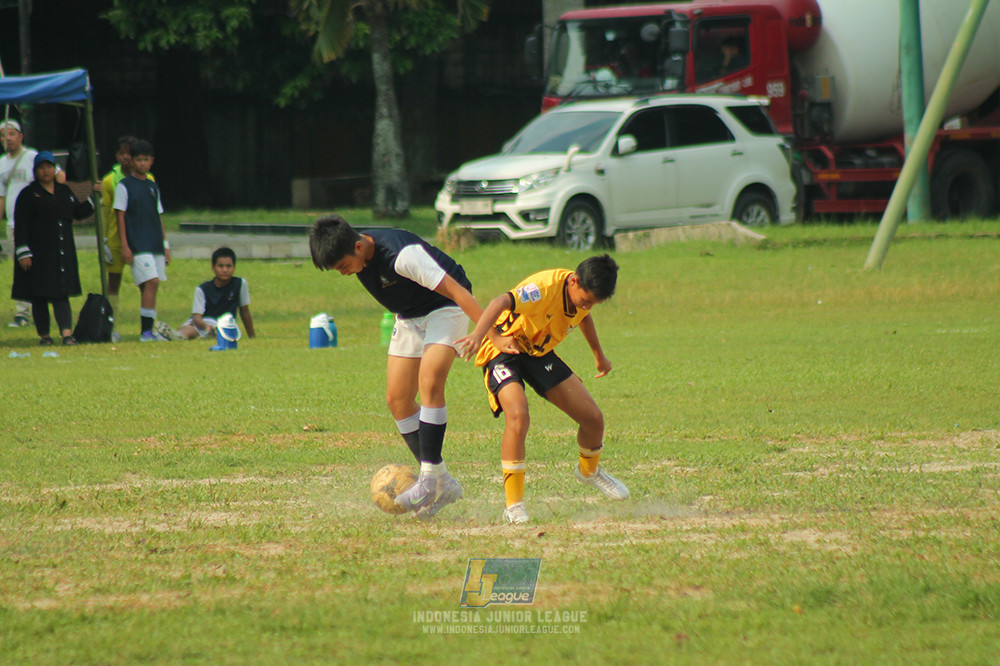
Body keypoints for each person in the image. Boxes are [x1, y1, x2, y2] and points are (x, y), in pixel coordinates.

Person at [308, 214, 484, 519]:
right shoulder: (361, 257)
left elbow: (458, 292)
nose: (344, 274)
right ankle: (443, 481)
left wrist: (488, 332)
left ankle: (428, 479)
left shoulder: (403, 256)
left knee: (430, 383)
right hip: (409, 316)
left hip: (445, 308)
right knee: (398, 399)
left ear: (359, 247)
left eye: (343, 267)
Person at [457, 255, 629, 525]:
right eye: (586, 300)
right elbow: (499, 302)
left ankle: (589, 472)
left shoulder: (582, 297)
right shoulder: (542, 288)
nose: (587, 306)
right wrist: (485, 336)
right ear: (573, 281)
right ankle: (513, 506)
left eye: (593, 303)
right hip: (504, 348)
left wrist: (599, 355)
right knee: (518, 414)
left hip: (539, 352)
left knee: (593, 419)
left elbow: (584, 317)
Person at [11, 151, 94, 345]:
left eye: (49, 167)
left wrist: (94, 199)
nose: (46, 171)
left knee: (60, 292)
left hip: (60, 250)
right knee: (39, 294)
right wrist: (23, 252)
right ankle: (45, 335)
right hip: (38, 251)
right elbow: (20, 225)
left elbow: (78, 213)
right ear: (36, 170)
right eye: (41, 167)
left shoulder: (64, 192)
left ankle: (66, 333)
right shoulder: (28, 194)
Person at [0, 119, 66, 328]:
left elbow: (59, 177)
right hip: (14, 223)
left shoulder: (32, 158)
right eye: (3, 135)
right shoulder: (1, 163)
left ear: (20, 136)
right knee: (21, 265)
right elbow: (1, 197)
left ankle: (44, 308)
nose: (7, 138)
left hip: (37, 223)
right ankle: (23, 312)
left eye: (12, 134)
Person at [113, 139, 171, 342]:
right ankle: (146, 333)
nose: (142, 164)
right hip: (137, 245)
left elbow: (158, 215)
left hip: (154, 243)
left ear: (152, 161)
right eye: (139, 160)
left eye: (146, 160)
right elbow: (120, 216)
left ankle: (149, 330)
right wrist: (125, 246)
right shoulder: (124, 186)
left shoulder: (152, 186)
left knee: (149, 287)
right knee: (152, 282)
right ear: (132, 161)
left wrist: (165, 245)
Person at [100, 135, 155, 342]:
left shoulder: (148, 179)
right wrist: (104, 239)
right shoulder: (109, 180)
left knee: (146, 281)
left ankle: (147, 328)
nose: (125, 158)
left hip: (140, 239)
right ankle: (112, 326)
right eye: (121, 153)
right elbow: (106, 212)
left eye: (128, 154)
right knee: (113, 283)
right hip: (116, 238)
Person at [175, 246, 255, 341]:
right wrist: (206, 327)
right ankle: (177, 336)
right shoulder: (202, 289)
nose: (224, 270)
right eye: (220, 266)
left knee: (219, 332)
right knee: (186, 330)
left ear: (234, 267)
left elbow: (244, 311)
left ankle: (205, 336)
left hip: (223, 325)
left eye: (228, 266)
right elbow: (196, 317)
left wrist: (252, 337)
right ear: (213, 268)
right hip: (203, 324)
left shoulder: (240, 284)